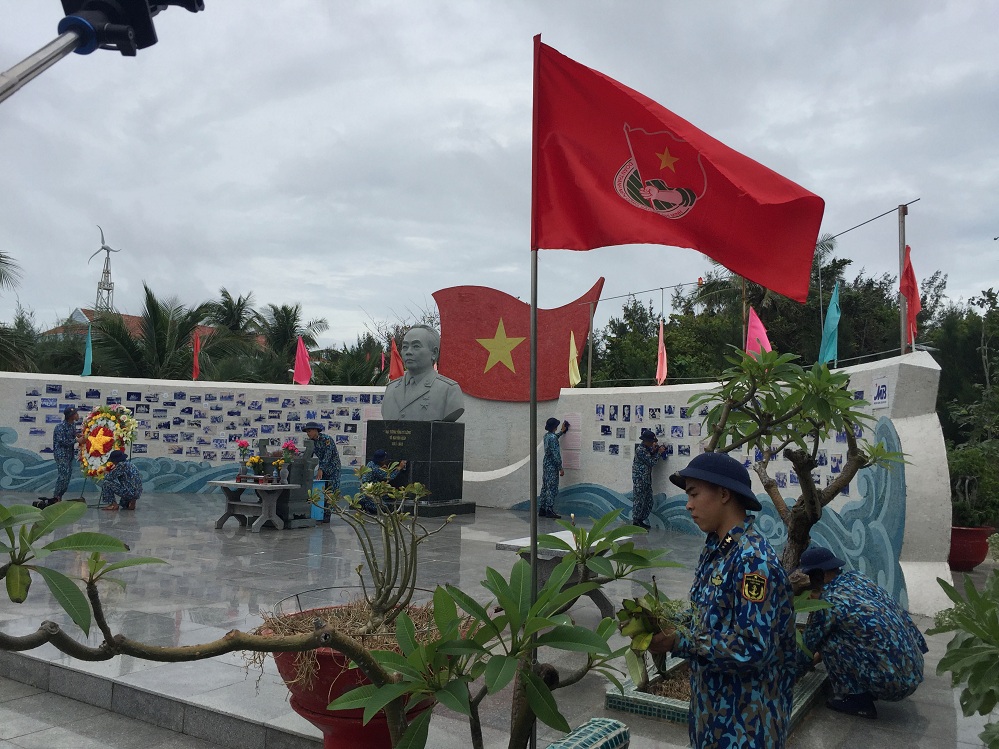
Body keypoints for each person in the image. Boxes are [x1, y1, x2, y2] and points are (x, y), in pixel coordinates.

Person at [648, 451, 795, 749]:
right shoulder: (719, 548)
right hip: (711, 715)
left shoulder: (753, 561)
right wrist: (662, 623)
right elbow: (707, 616)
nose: (688, 504)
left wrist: (680, 641)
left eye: (694, 494)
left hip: (746, 726)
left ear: (724, 494)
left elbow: (753, 648)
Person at [794, 546, 929, 719]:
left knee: (828, 638)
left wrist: (789, 675)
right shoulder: (857, 578)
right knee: (849, 631)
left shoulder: (829, 602)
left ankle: (858, 701)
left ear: (818, 575)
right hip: (913, 669)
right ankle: (869, 684)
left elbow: (807, 648)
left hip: (893, 684)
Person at [381, 325, 464, 421]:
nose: (408, 352)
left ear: (434, 353)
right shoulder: (391, 389)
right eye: (405, 347)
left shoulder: (449, 390)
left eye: (416, 346)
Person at [35, 407, 85, 508]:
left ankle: (59, 497)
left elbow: (71, 435)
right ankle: (56, 497)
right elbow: (62, 441)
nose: (78, 415)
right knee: (63, 477)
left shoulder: (72, 425)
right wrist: (76, 441)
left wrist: (78, 436)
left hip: (69, 455)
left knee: (67, 477)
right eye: (76, 414)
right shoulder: (60, 427)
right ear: (71, 416)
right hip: (61, 455)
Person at [305, 421, 340, 523]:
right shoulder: (311, 442)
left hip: (333, 468)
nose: (308, 433)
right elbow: (309, 454)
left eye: (309, 431)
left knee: (331, 491)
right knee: (322, 491)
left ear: (315, 430)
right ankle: (320, 513)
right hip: (323, 468)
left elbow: (327, 455)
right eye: (307, 432)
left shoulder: (326, 439)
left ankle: (327, 515)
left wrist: (321, 469)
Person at [631, 428, 666, 529]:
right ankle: (636, 521)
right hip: (640, 480)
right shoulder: (640, 450)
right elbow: (651, 462)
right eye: (651, 441)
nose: (652, 443)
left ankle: (640, 520)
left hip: (646, 479)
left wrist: (655, 451)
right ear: (646, 441)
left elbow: (650, 456)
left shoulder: (646, 449)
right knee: (639, 501)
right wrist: (659, 453)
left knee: (648, 501)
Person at [359, 449, 408, 514]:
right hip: (370, 494)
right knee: (384, 507)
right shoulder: (376, 469)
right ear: (382, 460)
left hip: (367, 492)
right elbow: (390, 476)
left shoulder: (370, 463)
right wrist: (399, 468)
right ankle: (368, 506)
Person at [539, 417, 569, 519]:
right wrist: (560, 468)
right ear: (554, 426)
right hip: (552, 465)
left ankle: (542, 508)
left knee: (545, 486)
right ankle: (549, 509)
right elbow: (556, 454)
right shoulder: (553, 438)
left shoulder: (547, 436)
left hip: (546, 464)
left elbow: (554, 437)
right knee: (552, 487)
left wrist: (561, 432)